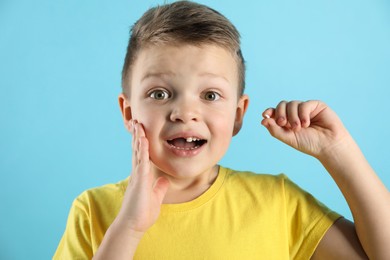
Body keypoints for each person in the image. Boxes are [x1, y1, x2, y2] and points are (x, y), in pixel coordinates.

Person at [54, 1, 390, 259]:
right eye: (159, 94)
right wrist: (128, 228)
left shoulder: (278, 203)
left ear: (237, 115)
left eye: (210, 95)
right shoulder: (93, 211)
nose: (185, 113)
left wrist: (338, 151)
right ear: (128, 112)